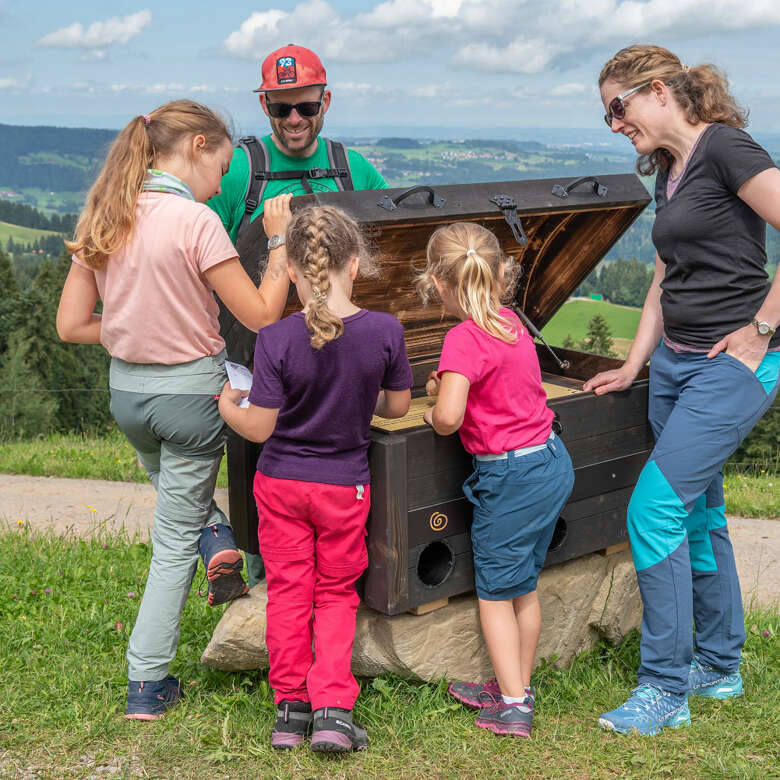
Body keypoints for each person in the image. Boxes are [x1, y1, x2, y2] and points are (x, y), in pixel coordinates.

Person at [56, 99, 292, 720]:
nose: (222, 180)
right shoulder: (194, 221)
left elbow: (71, 324)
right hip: (190, 398)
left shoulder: (106, 214)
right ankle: (147, 682)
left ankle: (214, 533)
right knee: (171, 542)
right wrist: (280, 243)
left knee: (177, 500)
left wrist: (133, 326)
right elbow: (262, 315)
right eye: (222, 164)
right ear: (195, 146)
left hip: (128, 397)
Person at [586, 45, 780, 736]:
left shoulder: (726, 149)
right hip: (673, 365)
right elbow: (666, 278)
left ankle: (665, 689)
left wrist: (761, 330)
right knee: (698, 516)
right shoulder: (669, 171)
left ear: (659, 90)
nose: (614, 123)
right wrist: (637, 364)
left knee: (652, 514)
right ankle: (720, 665)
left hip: (731, 367)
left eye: (619, 106)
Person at [218, 204, 412, 752]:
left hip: (280, 485)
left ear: (296, 274)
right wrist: (354, 393)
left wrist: (228, 406)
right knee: (334, 596)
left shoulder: (275, 338)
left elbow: (259, 428)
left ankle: (289, 711)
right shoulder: (384, 331)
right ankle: (331, 710)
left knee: (287, 594)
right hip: (343, 488)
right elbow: (397, 407)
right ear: (355, 264)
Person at [208, 43, 388, 586]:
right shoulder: (242, 169)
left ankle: (341, 573)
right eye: (279, 107)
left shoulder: (352, 167)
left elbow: (389, 246)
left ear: (325, 101)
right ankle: (265, 570)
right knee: (259, 467)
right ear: (264, 106)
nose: (292, 120)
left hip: (336, 354)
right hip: (255, 348)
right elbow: (201, 250)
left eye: (304, 107)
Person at [416, 222, 575, 738]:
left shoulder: (461, 338)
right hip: (549, 462)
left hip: (510, 478)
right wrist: (453, 384)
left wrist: (434, 409)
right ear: (500, 275)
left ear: (438, 284)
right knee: (523, 586)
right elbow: (501, 386)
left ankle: (512, 707)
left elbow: (450, 419)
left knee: (494, 593)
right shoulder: (512, 323)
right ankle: (516, 684)